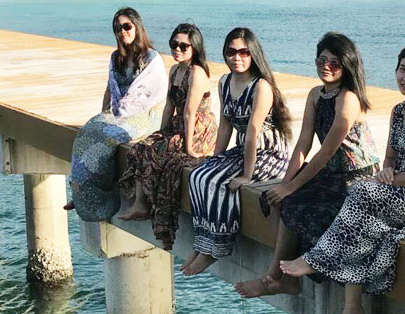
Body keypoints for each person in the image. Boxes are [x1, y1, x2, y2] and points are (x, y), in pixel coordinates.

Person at [281, 42, 405, 314]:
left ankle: (315, 259)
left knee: (361, 193)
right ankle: (352, 306)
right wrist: (386, 171)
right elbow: (389, 157)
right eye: (403, 70)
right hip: (402, 191)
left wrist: (384, 181)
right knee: (366, 224)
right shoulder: (399, 110)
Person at [234, 32, 379, 298]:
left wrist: (290, 189)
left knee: (295, 204)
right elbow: (303, 144)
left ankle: (273, 277)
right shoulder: (316, 95)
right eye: (321, 60)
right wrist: (285, 183)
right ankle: (285, 277)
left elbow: (326, 152)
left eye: (334, 63)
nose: (326, 66)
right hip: (329, 172)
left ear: (347, 66)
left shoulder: (348, 99)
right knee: (274, 198)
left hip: (355, 177)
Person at [181, 27, 291, 276]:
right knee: (198, 175)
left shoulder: (261, 87)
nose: (237, 57)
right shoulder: (225, 82)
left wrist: (246, 176)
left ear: (253, 54)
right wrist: (215, 157)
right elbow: (225, 125)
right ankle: (202, 244)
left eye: (244, 52)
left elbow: (253, 132)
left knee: (218, 181)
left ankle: (216, 248)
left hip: (268, 153)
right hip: (243, 149)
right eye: (231, 52)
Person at [116, 23, 218, 250]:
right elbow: (169, 105)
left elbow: (190, 112)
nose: (177, 49)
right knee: (141, 148)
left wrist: (189, 148)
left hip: (198, 128)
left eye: (183, 46)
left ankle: (146, 206)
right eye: (174, 44)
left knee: (159, 156)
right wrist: (161, 132)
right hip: (179, 123)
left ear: (195, 48)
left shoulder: (197, 73)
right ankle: (140, 203)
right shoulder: (174, 70)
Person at [66, 7, 168, 222]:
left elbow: (146, 96)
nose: (122, 31)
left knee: (102, 138)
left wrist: (111, 119)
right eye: (118, 28)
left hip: (144, 116)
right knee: (85, 133)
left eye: (126, 26)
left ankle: (96, 199)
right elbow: (110, 89)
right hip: (118, 113)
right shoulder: (116, 57)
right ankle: (83, 192)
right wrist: (102, 116)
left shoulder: (151, 58)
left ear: (137, 27)